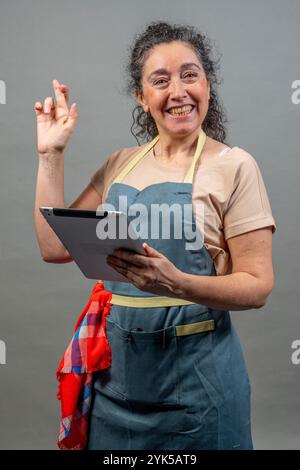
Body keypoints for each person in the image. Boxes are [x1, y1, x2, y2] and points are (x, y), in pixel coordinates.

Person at [34, 21, 276, 450]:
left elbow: (257, 287)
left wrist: (176, 282)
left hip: (200, 386)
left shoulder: (235, 166)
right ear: (142, 99)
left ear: (207, 83)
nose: (178, 91)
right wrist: (51, 155)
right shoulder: (119, 165)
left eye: (190, 74)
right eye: (160, 81)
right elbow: (54, 247)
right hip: (116, 383)